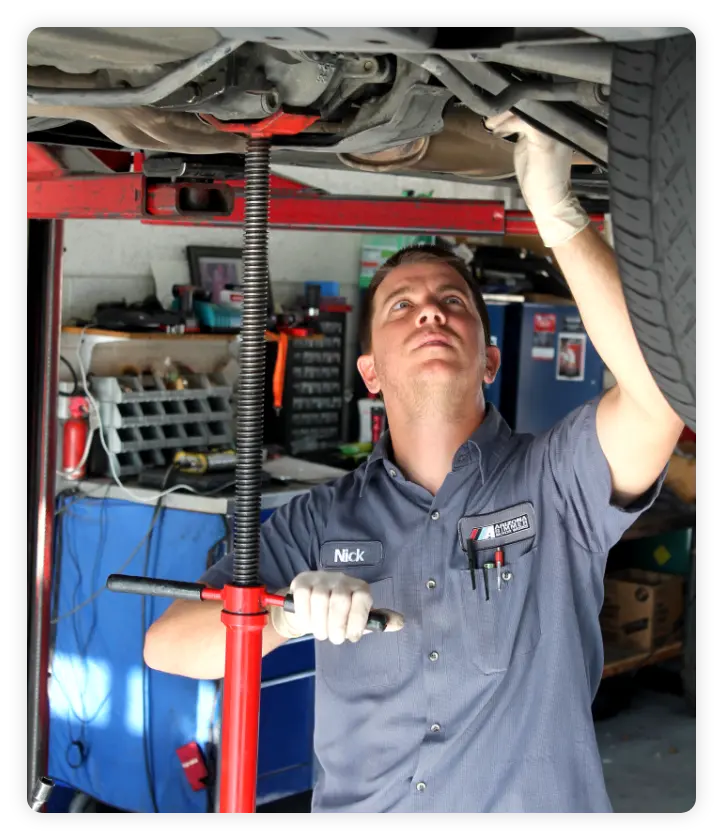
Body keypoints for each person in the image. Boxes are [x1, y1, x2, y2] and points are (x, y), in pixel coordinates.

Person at [143, 112, 685, 813]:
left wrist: (557, 214)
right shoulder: (318, 521)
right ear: (369, 371)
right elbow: (167, 647)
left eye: (451, 302)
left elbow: (659, 397)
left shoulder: (556, 484)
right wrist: (282, 620)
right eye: (401, 305)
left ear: (489, 359)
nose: (430, 313)